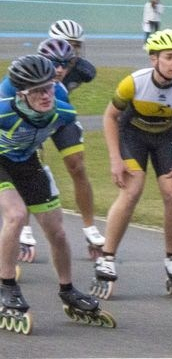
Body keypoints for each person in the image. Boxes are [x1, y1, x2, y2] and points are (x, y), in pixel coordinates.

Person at [0, 55, 115, 335]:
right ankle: (7, 287)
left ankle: (67, 289)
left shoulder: (63, 112)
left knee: (58, 231)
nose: (45, 96)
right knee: (16, 215)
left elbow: (72, 154)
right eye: (38, 91)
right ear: (21, 93)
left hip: (27, 162)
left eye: (49, 88)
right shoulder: (3, 111)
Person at [91, 29, 172, 300]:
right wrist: (115, 158)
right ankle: (107, 257)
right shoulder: (134, 82)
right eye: (169, 57)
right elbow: (110, 117)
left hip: (165, 136)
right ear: (154, 59)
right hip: (132, 135)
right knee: (132, 190)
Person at [0, 38, 106, 262]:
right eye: (54, 63)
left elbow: (65, 113)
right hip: (20, 125)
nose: (60, 70)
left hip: (55, 114)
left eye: (66, 64)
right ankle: (24, 229)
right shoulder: (11, 86)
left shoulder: (81, 74)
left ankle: (90, 228)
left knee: (77, 165)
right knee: (29, 163)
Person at [48, 19, 96, 95]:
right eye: (66, 44)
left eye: (76, 45)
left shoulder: (84, 70)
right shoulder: (38, 67)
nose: (72, 50)